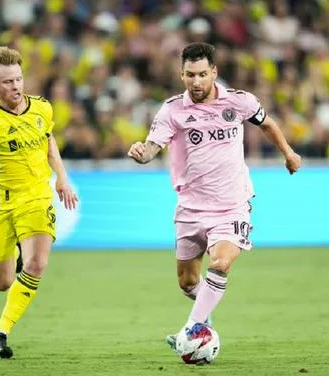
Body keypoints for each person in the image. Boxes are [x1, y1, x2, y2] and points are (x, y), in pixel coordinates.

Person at [127, 42, 301, 352]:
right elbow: (153, 146)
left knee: (220, 263)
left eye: (202, 74)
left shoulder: (240, 102)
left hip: (232, 205)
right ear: (181, 74)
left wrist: (288, 153)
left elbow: (268, 124)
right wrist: (141, 154)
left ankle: (190, 330)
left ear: (214, 73)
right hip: (191, 207)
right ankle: (203, 318)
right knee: (187, 282)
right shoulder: (172, 110)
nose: (196, 82)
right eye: (190, 75)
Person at [0, 46, 78, 358]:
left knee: (37, 263)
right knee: (3, 283)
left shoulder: (42, 108)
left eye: (19, 79)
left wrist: (62, 178)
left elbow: (48, 141)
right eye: (8, 82)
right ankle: (15, 255)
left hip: (36, 197)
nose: (16, 86)